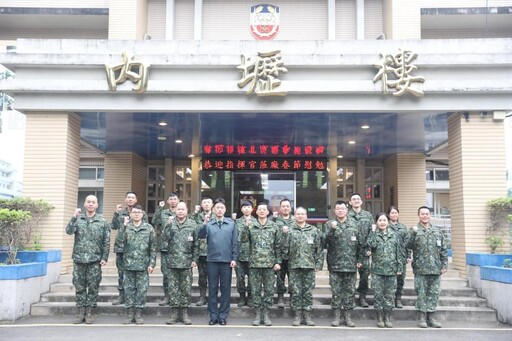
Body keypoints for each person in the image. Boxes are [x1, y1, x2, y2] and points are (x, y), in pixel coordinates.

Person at [66, 195, 110, 324]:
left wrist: (104, 257)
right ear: (85, 204)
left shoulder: (102, 221)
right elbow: (69, 231)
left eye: (93, 202)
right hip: (79, 259)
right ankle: (80, 312)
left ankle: (90, 312)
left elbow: (106, 241)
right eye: (88, 202)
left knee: (93, 287)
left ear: (97, 205)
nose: (91, 204)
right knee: (79, 287)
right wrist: (74, 216)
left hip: (94, 260)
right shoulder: (78, 219)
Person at [198, 197, 238, 326]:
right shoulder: (209, 224)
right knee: (213, 289)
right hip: (212, 261)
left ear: (225, 209)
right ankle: (213, 315)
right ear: (213, 210)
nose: (219, 210)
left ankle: (223, 315)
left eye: (222, 208)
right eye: (217, 208)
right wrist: (204, 223)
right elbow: (201, 236)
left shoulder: (231, 224)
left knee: (226, 289)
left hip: (226, 261)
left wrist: (234, 258)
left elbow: (235, 243)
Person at [407, 206, 448, 328]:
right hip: (421, 268)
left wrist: (444, 264)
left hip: (435, 268)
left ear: (430, 215)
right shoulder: (414, 230)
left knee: (434, 293)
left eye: (427, 214)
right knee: (421, 293)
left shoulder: (437, 230)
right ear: (418, 215)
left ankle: (431, 317)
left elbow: (444, 249)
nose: (425, 216)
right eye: (422, 214)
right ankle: (422, 317)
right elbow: (408, 245)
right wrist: (413, 234)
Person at [241, 202, 281, 326]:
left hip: (269, 264)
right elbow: (243, 240)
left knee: (269, 290)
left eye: (264, 209)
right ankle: (258, 315)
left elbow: (278, 246)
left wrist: (278, 262)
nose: (262, 211)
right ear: (256, 212)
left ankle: (266, 314)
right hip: (255, 264)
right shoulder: (251, 225)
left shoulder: (274, 227)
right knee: (255, 290)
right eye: (260, 209)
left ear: (268, 212)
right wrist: (246, 227)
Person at [323, 200, 363, 327]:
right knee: (336, 292)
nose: (340, 210)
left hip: (351, 265)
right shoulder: (329, 224)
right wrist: (333, 230)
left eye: (342, 208)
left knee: (350, 292)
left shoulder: (355, 225)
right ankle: (336, 317)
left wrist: (360, 260)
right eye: (338, 209)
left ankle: (348, 317)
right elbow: (324, 241)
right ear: (334, 211)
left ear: (347, 210)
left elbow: (361, 245)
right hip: (335, 265)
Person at [283, 207, 323, 327]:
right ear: (294, 216)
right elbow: (284, 250)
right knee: (295, 291)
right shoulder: (289, 231)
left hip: (309, 266)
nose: (300, 216)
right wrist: (284, 236)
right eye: (298, 214)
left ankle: (307, 314)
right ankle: (297, 315)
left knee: (307, 292)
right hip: (294, 266)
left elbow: (319, 249)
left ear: (306, 216)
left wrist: (319, 263)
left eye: (302, 214)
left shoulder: (314, 231)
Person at [163, 202, 198, 325]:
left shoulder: (192, 224)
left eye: (183, 209)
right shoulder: (170, 224)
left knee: (186, 289)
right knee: (173, 289)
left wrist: (195, 259)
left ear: (187, 210)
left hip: (186, 262)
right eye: (178, 209)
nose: (181, 211)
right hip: (172, 262)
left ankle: (184, 313)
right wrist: (168, 225)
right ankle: (174, 313)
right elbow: (164, 239)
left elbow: (196, 244)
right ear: (175, 211)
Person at [111, 191, 148, 306]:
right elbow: (113, 226)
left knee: (135, 275)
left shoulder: (141, 213)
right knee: (121, 273)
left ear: (136, 200)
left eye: (133, 198)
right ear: (125, 199)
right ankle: (122, 295)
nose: (131, 199)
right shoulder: (121, 213)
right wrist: (116, 214)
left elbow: (145, 229)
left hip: (136, 249)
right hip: (121, 248)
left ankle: (135, 297)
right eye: (129, 197)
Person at [367, 213, 404, 328]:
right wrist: (373, 231)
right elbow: (371, 245)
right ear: (376, 222)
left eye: (384, 220)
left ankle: (387, 317)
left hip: (391, 270)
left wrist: (399, 267)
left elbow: (398, 252)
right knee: (378, 295)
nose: (382, 222)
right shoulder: (373, 234)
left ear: (387, 222)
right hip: (377, 271)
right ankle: (379, 317)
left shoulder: (394, 235)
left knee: (389, 295)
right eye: (380, 220)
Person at [122, 204, 156, 325]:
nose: (136, 214)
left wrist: (152, 263)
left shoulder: (149, 228)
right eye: (134, 212)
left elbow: (153, 248)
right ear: (130, 214)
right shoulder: (126, 228)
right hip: (128, 264)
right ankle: (130, 313)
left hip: (143, 265)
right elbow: (119, 243)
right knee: (129, 290)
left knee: (141, 290)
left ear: (143, 214)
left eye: (139, 212)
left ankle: (138, 313)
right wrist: (123, 226)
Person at [152, 192, 180, 306]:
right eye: (171, 199)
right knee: (166, 274)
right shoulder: (163, 213)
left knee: (178, 273)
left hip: (179, 248)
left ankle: (176, 296)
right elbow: (154, 222)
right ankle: (167, 296)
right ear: (168, 201)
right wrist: (159, 208)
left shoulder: (181, 212)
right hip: (165, 247)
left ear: (178, 201)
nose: (173, 201)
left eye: (175, 199)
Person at [347, 193, 373, 308]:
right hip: (350, 251)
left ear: (361, 202)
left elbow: (373, 232)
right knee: (350, 276)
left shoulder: (368, 215)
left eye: (358, 199)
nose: (356, 201)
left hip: (364, 251)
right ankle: (351, 297)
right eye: (354, 199)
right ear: (350, 202)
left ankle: (362, 297)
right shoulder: (347, 215)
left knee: (364, 276)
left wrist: (370, 248)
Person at [387, 206, 412, 308]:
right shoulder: (385, 225)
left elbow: (407, 242)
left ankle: (398, 298)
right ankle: (390, 299)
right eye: (392, 213)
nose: (394, 215)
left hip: (401, 258)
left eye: (396, 213)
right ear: (388, 214)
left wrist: (408, 255)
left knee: (400, 280)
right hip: (388, 257)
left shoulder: (403, 227)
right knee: (390, 280)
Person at [234, 200, 257, 308]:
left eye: (248, 207)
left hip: (253, 255)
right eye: (244, 207)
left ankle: (251, 297)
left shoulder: (257, 222)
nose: (246, 209)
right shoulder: (236, 222)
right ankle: (242, 298)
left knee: (253, 279)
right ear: (241, 209)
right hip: (239, 255)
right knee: (240, 278)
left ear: (252, 209)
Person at [272, 198, 295, 308]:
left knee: (293, 277)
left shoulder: (295, 220)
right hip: (279, 254)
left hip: (292, 254)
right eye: (283, 206)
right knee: (279, 277)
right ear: (280, 208)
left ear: (290, 208)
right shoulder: (275, 220)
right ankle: (280, 297)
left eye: (287, 206)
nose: (285, 208)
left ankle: (291, 297)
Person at [193, 196, 213, 306]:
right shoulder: (197, 217)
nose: (206, 204)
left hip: (213, 251)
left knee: (213, 277)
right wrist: (204, 223)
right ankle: (202, 297)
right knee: (202, 277)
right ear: (201, 205)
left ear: (212, 204)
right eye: (204, 202)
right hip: (201, 252)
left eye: (208, 202)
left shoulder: (215, 217)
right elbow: (195, 231)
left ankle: (211, 297)